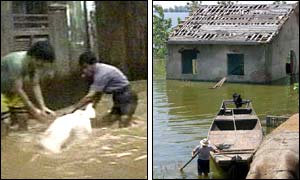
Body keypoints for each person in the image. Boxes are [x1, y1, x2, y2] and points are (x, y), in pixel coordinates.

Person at [68, 51, 138, 128]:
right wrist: (91, 108)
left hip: (127, 96)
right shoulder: (98, 71)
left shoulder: (101, 74)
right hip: (118, 96)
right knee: (109, 120)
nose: (84, 71)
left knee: (123, 122)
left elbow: (90, 96)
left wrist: (73, 108)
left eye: (85, 67)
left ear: (89, 65)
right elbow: (98, 94)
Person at [1, 41, 56, 132]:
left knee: (23, 118)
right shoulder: (17, 63)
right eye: (41, 61)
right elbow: (18, 89)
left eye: (45, 62)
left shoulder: (33, 64)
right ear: (33, 56)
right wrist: (33, 110)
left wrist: (43, 107)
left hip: (10, 91)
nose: (42, 65)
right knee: (5, 122)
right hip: (7, 91)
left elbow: (35, 85)